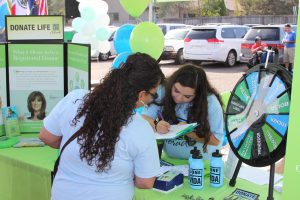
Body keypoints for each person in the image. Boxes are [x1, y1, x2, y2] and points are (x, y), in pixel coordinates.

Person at [39, 53, 164, 200]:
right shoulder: (140, 128)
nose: (151, 100)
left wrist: (82, 150)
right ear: (142, 95)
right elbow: (145, 182)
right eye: (153, 95)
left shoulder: (75, 98)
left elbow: (46, 136)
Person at [142, 64, 224, 160]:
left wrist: (188, 132)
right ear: (172, 83)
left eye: (187, 96)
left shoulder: (210, 102)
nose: (179, 98)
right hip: (170, 159)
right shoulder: (163, 90)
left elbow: (216, 141)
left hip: (202, 161)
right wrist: (156, 125)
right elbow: (145, 118)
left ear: (198, 95)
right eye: (176, 90)